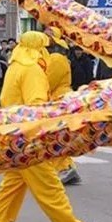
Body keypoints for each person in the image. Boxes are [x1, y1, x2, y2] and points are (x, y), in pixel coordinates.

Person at [0, 31, 101, 222]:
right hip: (29, 139)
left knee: (11, 189)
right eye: (44, 47)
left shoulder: (16, 65)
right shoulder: (32, 69)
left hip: (13, 135)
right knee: (50, 188)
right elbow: (36, 106)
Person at [46, 49, 81, 186]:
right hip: (60, 98)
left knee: (56, 137)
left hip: (58, 99)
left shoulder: (56, 58)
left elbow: (50, 81)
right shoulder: (58, 58)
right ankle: (67, 168)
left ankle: (65, 168)